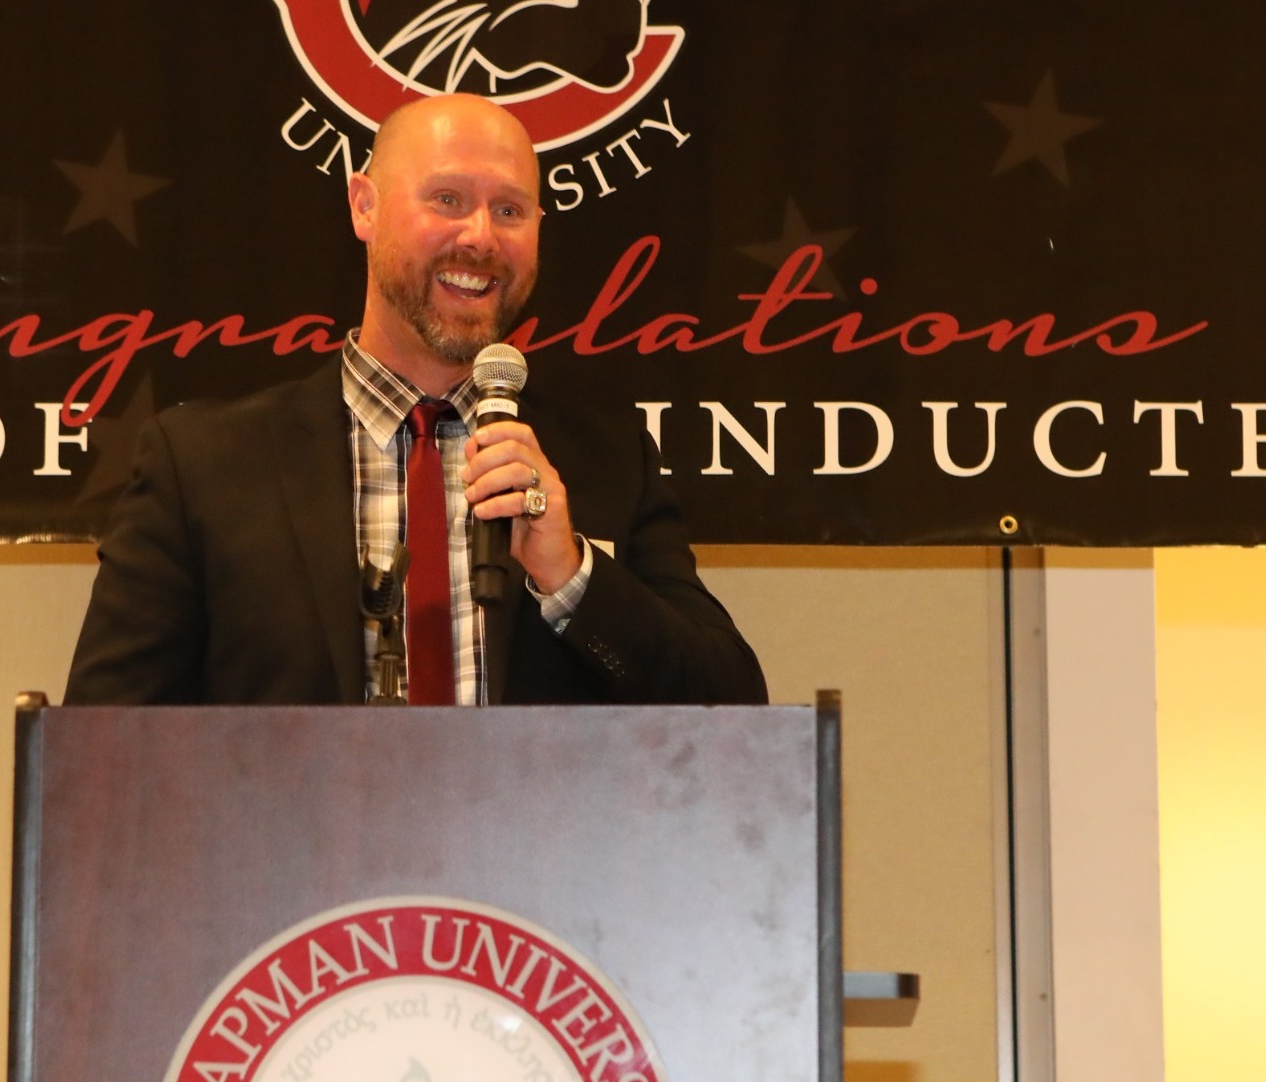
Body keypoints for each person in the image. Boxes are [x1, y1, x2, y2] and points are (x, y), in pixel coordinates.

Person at [63, 94, 764, 705]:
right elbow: (101, 749)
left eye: (510, 209)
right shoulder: (203, 469)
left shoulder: (606, 465)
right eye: (448, 199)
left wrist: (570, 572)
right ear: (363, 205)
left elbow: (729, 706)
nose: (481, 237)